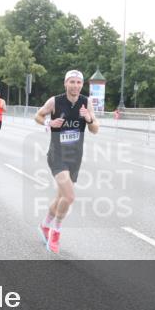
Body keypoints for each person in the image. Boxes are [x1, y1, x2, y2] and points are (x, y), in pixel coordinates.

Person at [33, 70, 100, 254]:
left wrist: (89, 118)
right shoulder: (55, 101)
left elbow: (95, 129)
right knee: (70, 197)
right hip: (57, 155)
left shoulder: (86, 103)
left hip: (75, 157)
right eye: (72, 82)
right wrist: (47, 124)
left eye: (79, 82)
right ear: (65, 84)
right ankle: (56, 231)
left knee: (60, 198)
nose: (75, 85)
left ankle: (45, 225)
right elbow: (38, 115)